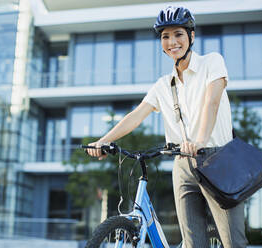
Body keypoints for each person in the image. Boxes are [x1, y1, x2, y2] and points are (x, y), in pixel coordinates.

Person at [86, 6, 247, 248]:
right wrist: (103, 140)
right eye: (165, 36)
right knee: (194, 243)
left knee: (233, 242)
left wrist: (200, 140)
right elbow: (136, 114)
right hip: (183, 165)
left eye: (178, 34)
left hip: (217, 159)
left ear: (191, 36)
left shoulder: (212, 62)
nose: (172, 42)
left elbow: (212, 102)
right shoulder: (163, 84)